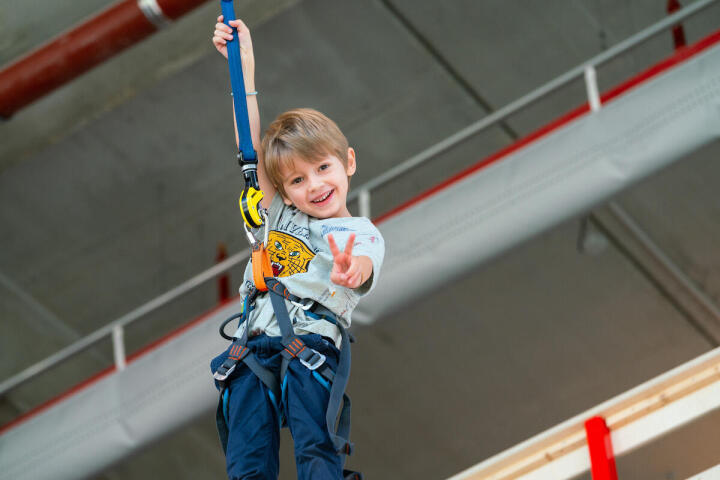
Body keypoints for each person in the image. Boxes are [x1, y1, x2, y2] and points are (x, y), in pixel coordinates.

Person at [209, 16, 384, 480]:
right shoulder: (280, 214)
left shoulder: (359, 230)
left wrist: (353, 272)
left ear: (348, 162)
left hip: (307, 346)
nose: (315, 185)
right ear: (284, 191)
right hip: (251, 351)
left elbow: (365, 262)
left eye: (324, 168)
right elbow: (249, 146)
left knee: (316, 447)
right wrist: (242, 69)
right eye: (299, 179)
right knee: (247, 459)